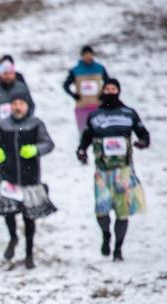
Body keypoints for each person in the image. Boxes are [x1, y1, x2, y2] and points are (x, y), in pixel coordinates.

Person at [77, 78, 149, 261]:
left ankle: (118, 248)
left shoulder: (128, 114)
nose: (110, 91)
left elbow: (143, 133)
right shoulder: (95, 115)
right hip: (102, 170)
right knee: (101, 209)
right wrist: (81, 151)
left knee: (122, 210)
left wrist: (143, 142)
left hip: (123, 170)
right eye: (107, 88)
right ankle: (106, 235)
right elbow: (86, 137)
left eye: (113, 88)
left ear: (119, 90)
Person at [0, 91, 56, 269]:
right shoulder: (2, 124)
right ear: (10, 106)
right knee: (8, 213)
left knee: (29, 218)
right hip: (8, 177)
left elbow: (48, 143)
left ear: (27, 106)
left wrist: (36, 149)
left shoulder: (36, 124)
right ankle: (12, 238)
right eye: (15, 103)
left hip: (30, 178)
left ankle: (29, 254)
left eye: (21, 103)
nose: (18, 106)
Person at [63, 45, 109, 134]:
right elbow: (65, 85)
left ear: (93, 55)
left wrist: (103, 94)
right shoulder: (75, 70)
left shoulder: (100, 68)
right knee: (84, 133)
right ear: (82, 56)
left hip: (98, 106)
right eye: (86, 55)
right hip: (82, 107)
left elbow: (108, 83)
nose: (88, 57)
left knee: (100, 132)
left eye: (90, 54)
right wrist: (74, 95)